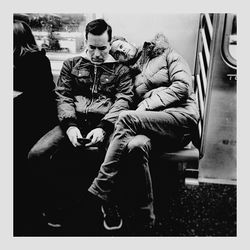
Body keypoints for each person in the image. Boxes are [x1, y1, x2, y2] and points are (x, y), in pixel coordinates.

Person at [27, 19, 134, 229]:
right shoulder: (71, 64)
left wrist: (104, 128)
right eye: (91, 47)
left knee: (117, 154)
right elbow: (63, 96)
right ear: (85, 41)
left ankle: (108, 203)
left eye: (102, 48)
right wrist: (70, 126)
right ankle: (52, 203)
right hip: (73, 122)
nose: (96, 54)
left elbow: (124, 100)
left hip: (104, 124)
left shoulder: (121, 70)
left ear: (110, 43)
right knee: (37, 154)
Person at [87, 33, 199, 233]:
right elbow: (124, 101)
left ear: (129, 41)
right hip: (151, 125)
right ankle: (146, 217)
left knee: (127, 118)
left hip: (180, 119)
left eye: (121, 45)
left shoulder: (167, 55)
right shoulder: (128, 74)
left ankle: (102, 187)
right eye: (116, 53)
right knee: (135, 146)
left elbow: (182, 86)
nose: (121, 51)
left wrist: (145, 106)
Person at [13, 20, 57, 234]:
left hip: (38, 119)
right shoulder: (29, 58)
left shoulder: (35, 60)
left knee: (21, 153)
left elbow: (40, 98)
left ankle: (29, 208)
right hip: (28, 116)